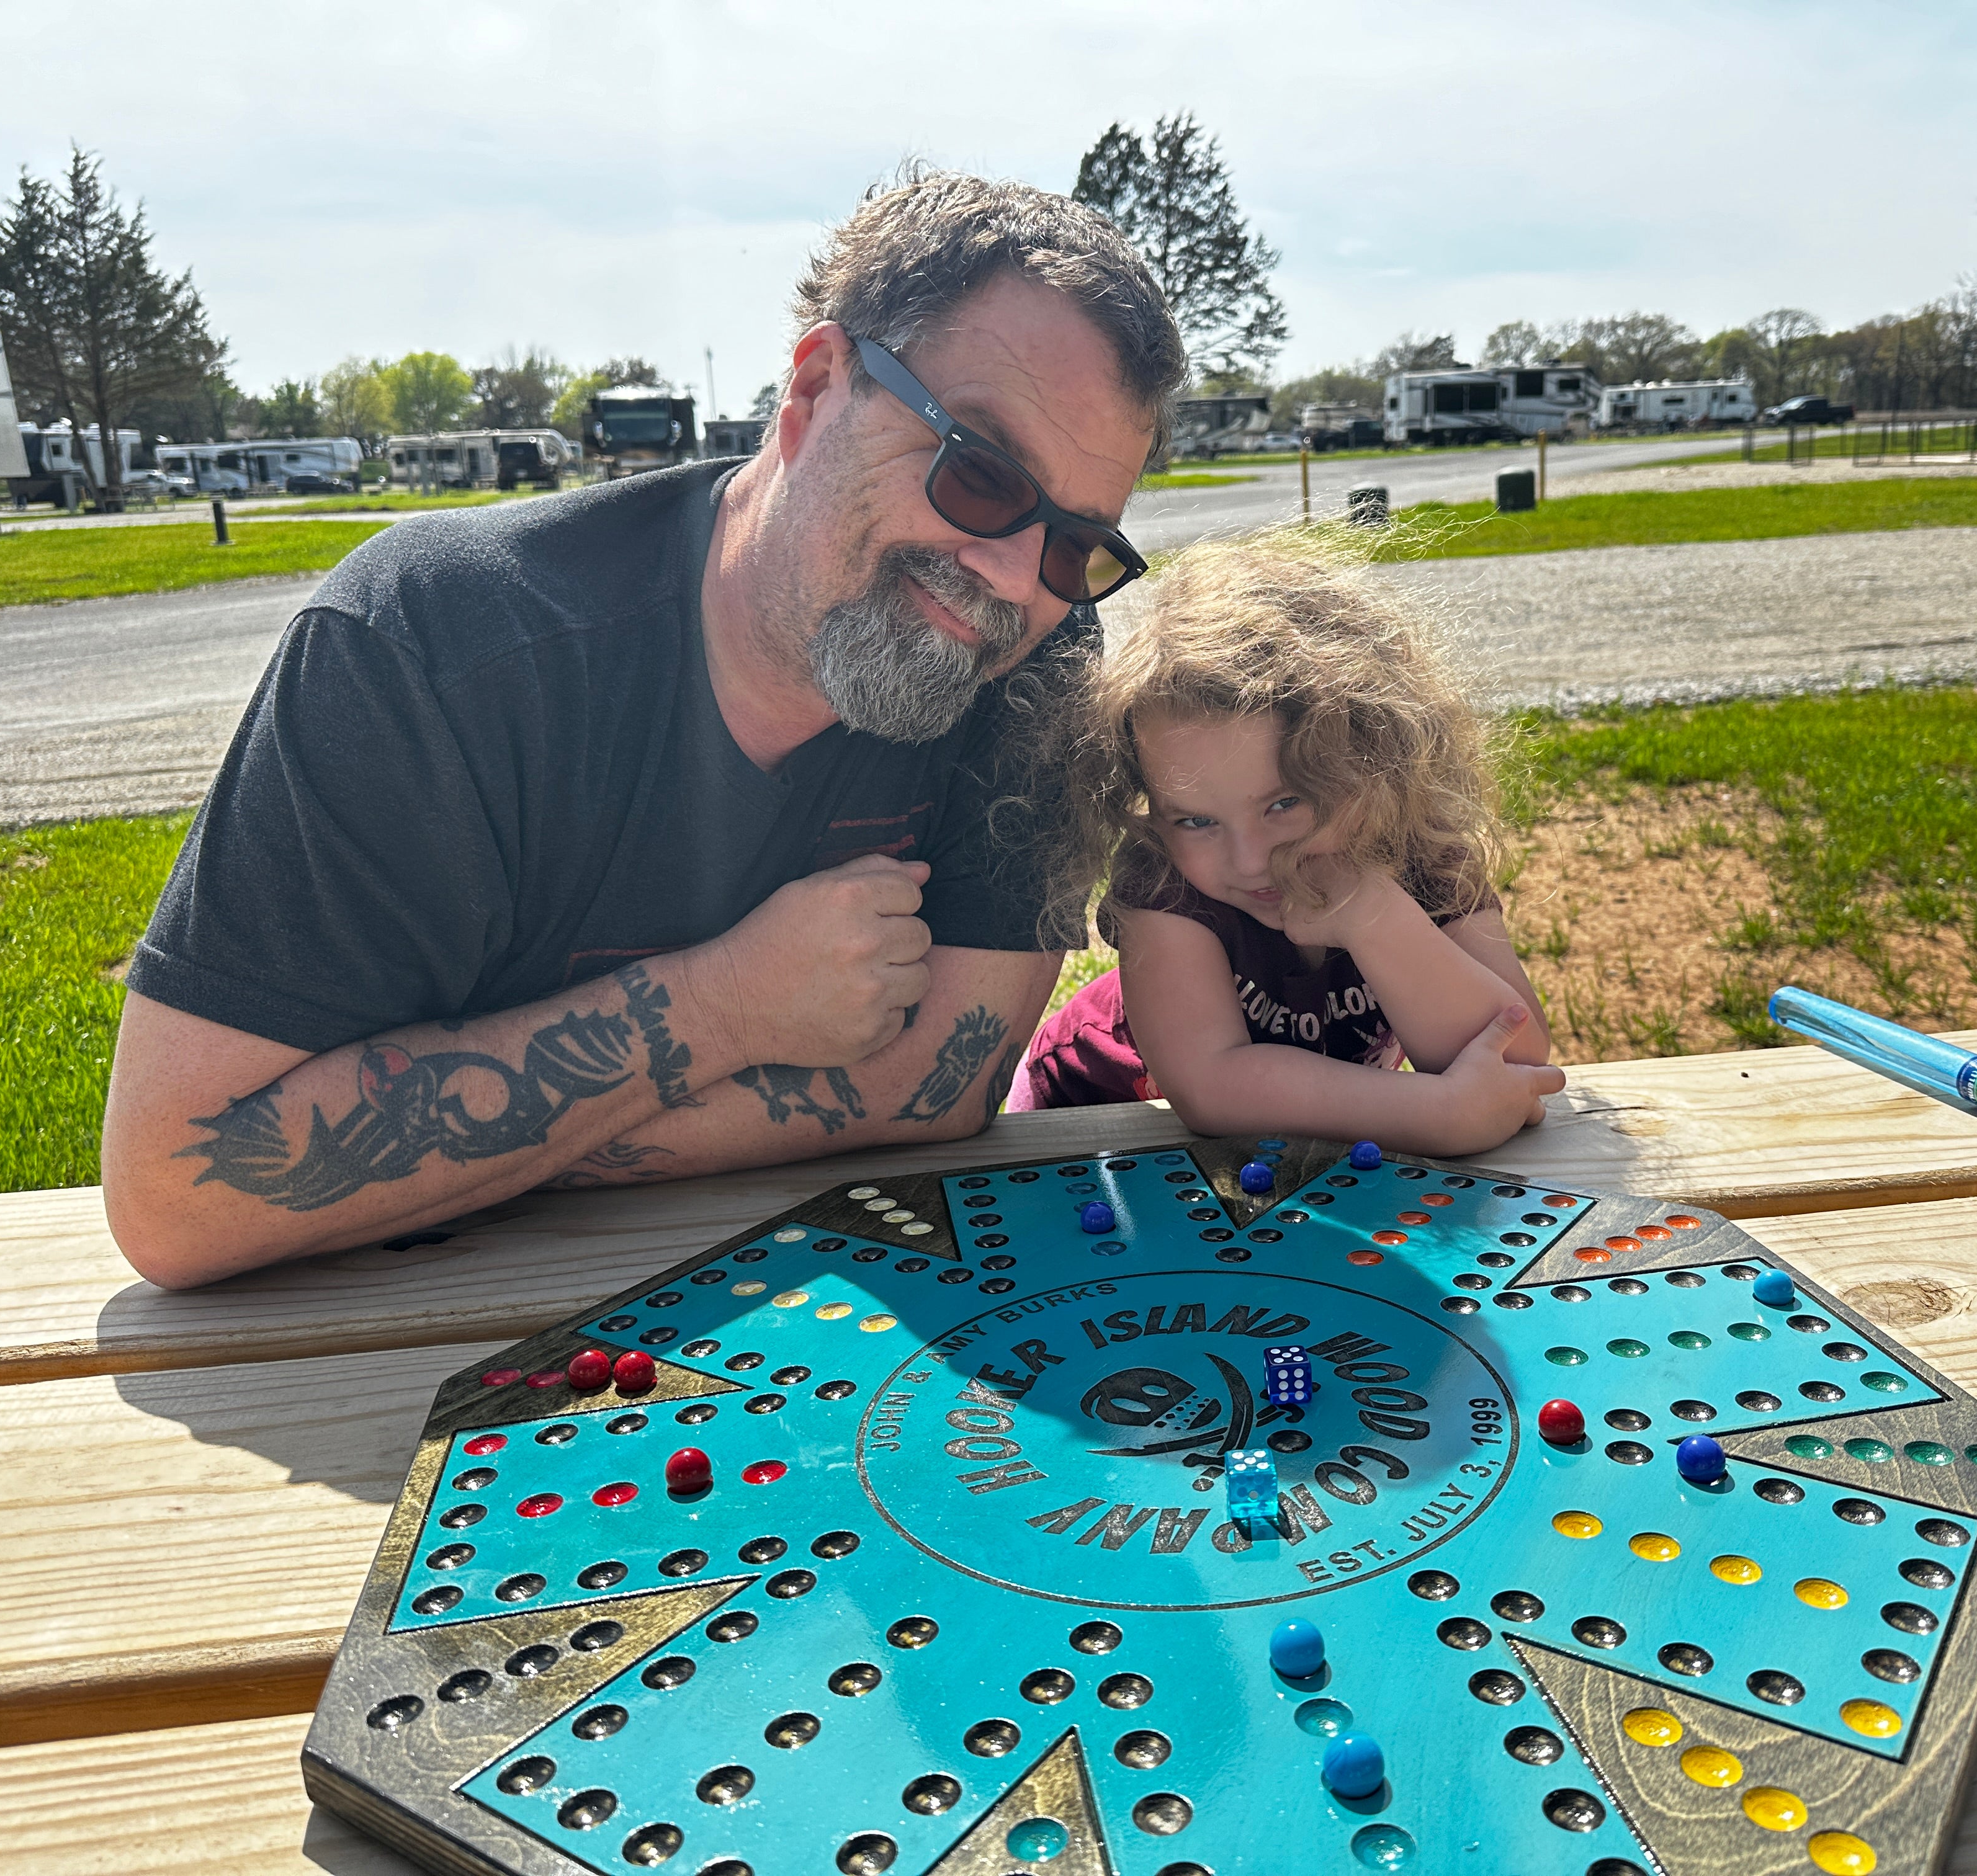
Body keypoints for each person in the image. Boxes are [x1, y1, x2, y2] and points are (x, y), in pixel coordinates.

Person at [99, 169, 1185, 1289]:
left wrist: (471, 1145)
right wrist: (723, 1005)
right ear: (816, 388)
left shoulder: (1036, 665)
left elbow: (938, 1089)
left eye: (1075, 546)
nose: (1013, 575)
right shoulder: (434, 646)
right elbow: (176, 1192)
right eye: (981, 472)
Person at [1008, 534, 1566, 1154]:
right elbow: (1210, 1087)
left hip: (1287, 1158)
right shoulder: (1166, 884)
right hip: (1086, 1132)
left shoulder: (1425, 857)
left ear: (1379, 765)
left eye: (1284, 804)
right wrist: (1438, 1113)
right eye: (1196, 821)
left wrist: (1378, 919)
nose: (1249, 861)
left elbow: (1518, 1056)